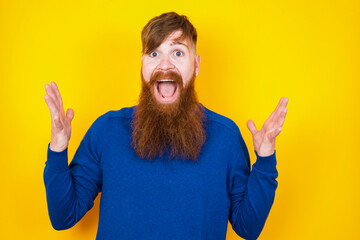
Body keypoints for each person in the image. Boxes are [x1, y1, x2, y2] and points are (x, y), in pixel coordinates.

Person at [43, 12, 288, 240]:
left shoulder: (226, 137)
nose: (165, 65)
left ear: (197, 64)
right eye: (154, 54)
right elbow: (64, 217)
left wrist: (265, 159)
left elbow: (248, 227)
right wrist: (57, 148)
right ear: (142, 64)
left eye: (178, 53)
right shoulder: (106, 130)